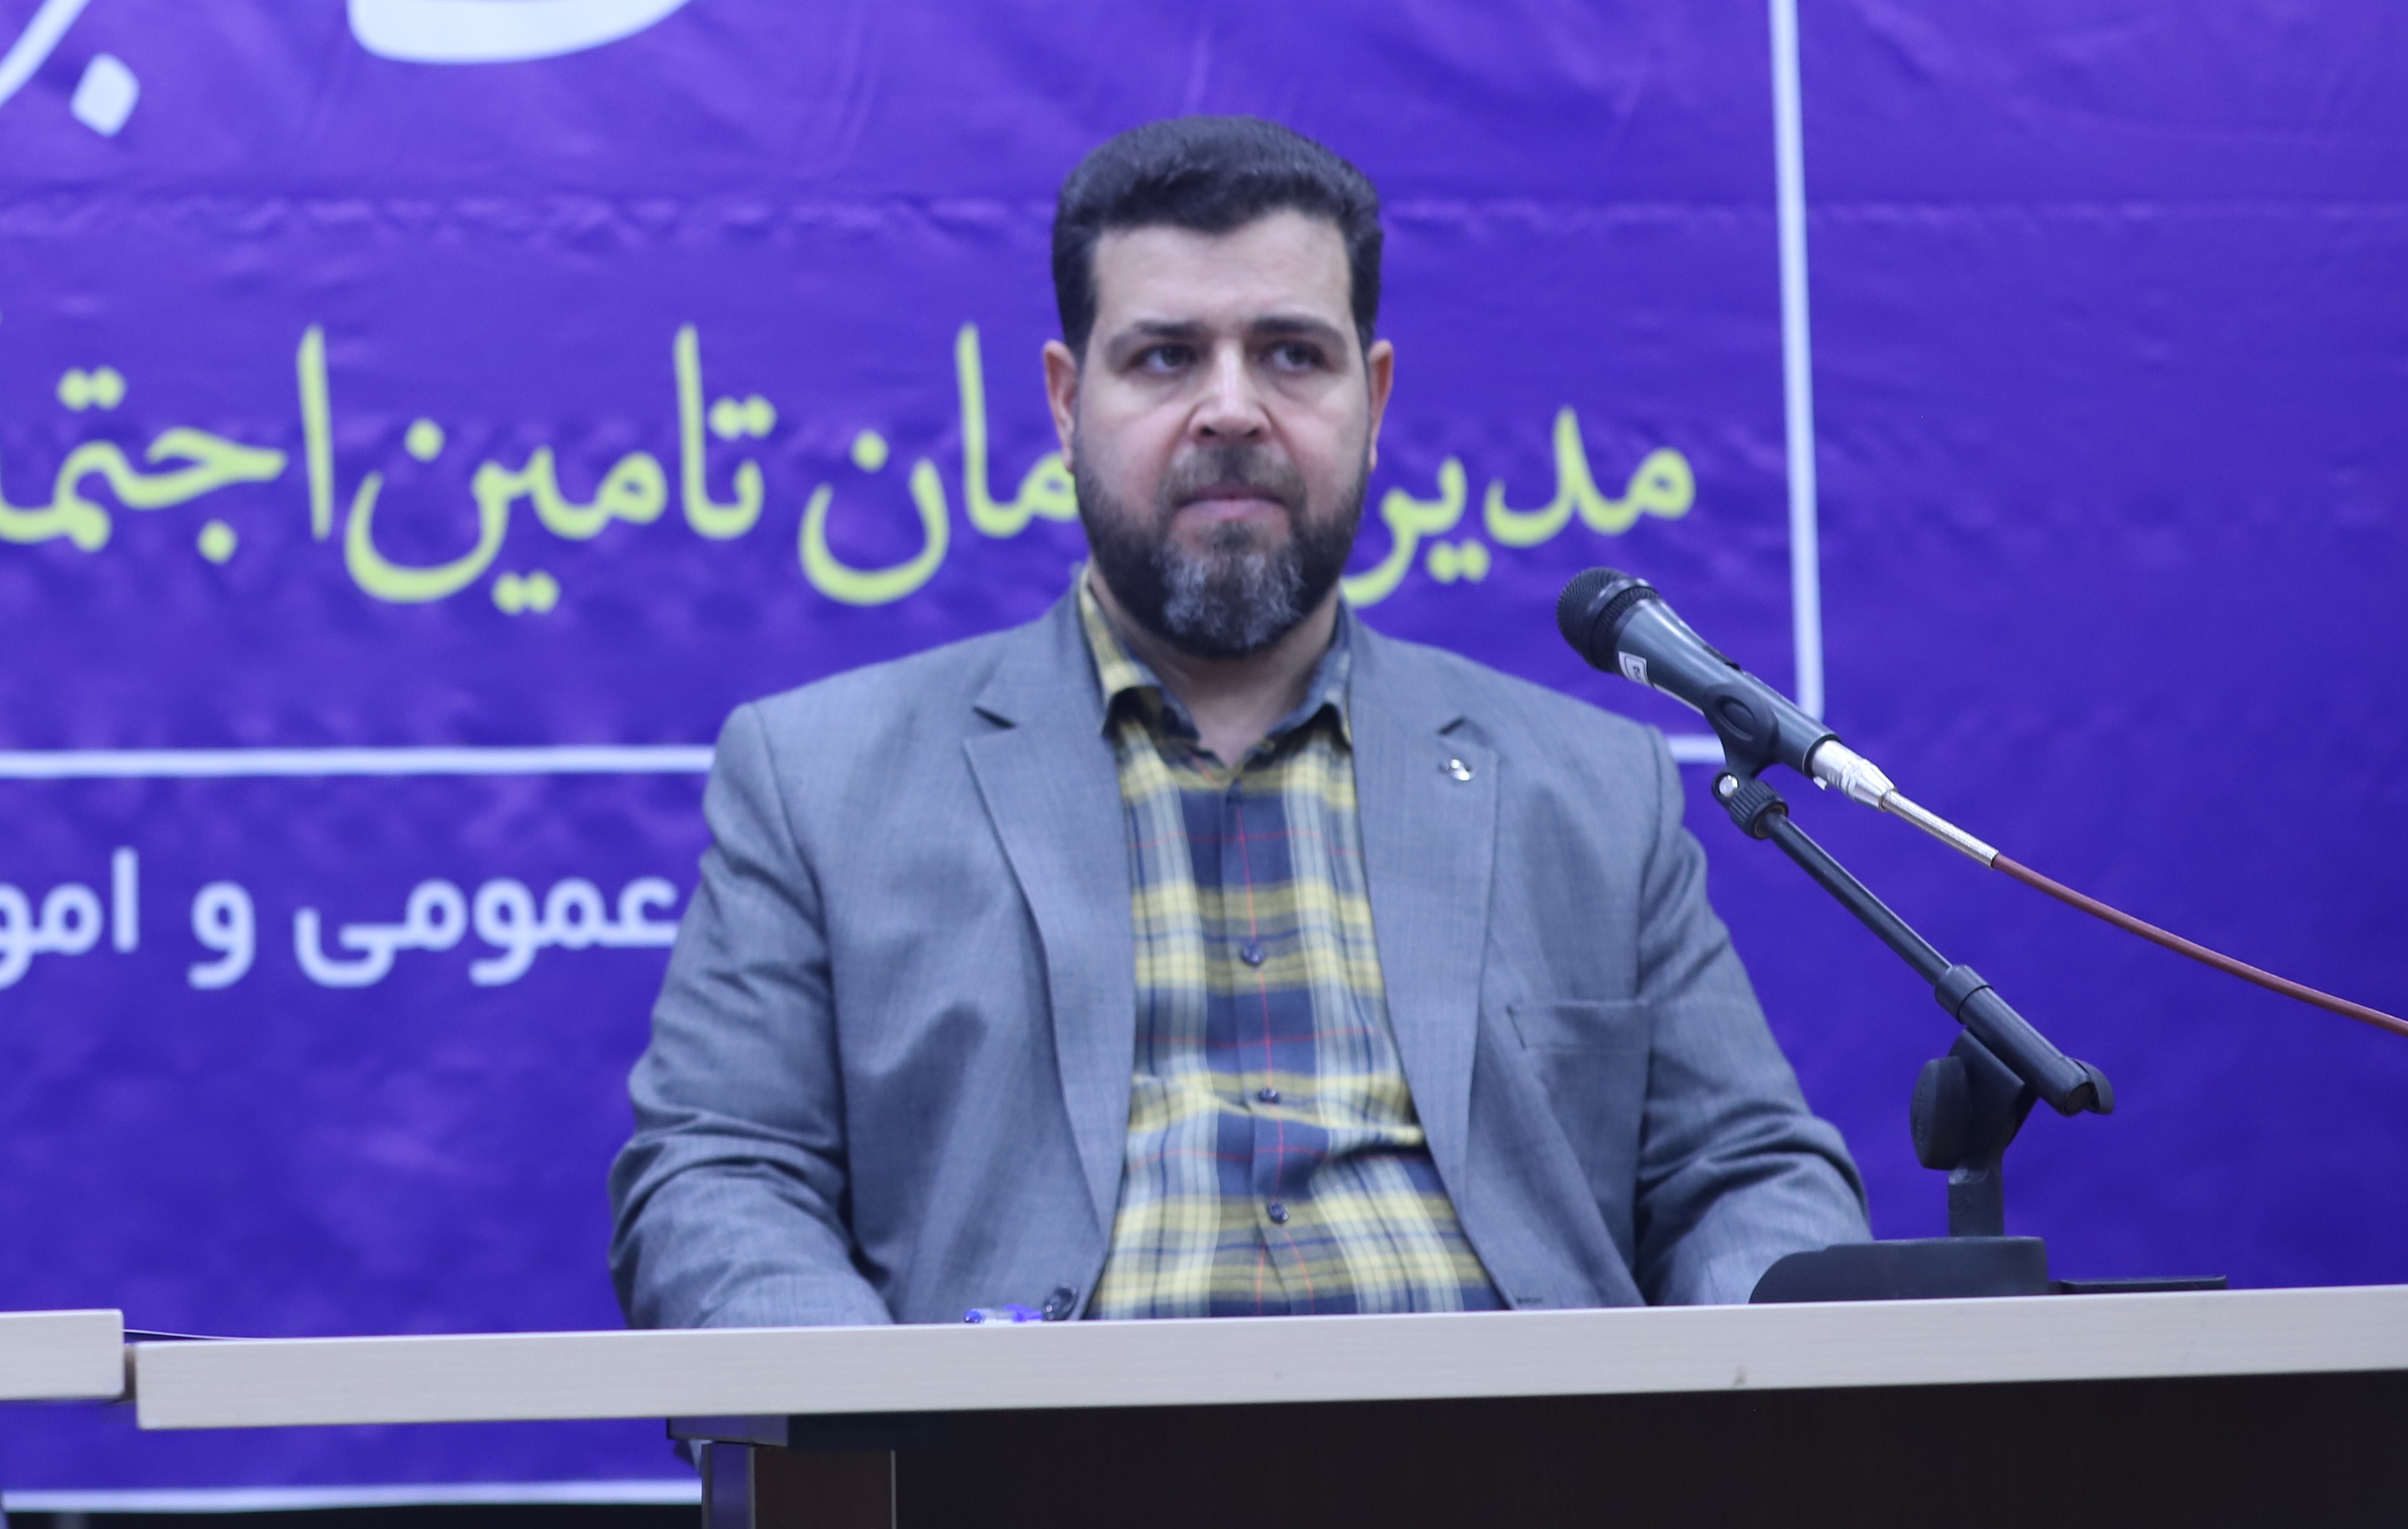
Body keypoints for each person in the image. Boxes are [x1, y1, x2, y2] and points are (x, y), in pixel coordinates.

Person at [611, 115, 1864, 1325]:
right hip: (1040, 1446)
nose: (1230, 409)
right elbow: (721, 1173)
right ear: (1065, 402)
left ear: (1374, 396)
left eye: (1291, 355)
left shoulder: (1591, 784)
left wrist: (1740, 1394)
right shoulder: (819, 779)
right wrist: (884, 1420)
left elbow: (1748, 1172)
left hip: (1517, 1441)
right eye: (1166, 357)